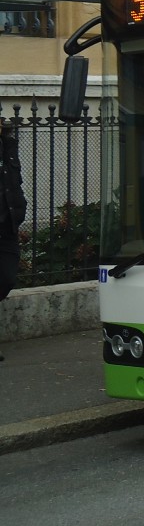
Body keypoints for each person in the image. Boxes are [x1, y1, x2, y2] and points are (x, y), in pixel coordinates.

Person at [0, 119, 28, 362]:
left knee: (7, 278)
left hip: (7, 227)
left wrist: (20, 209)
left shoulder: (8, 147)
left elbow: (14, 181)